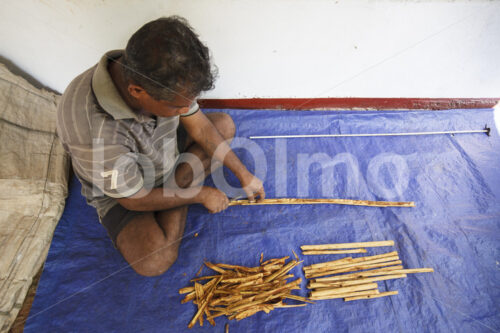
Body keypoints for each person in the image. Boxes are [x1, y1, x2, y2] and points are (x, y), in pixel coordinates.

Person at [56, 16, 265, 277]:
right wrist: (199, 194)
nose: (184, 109)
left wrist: (243, 174)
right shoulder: (93, 132)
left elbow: (199, 126)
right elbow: (132, 199)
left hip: (163, 151)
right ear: (137, 91)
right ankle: (179, 189)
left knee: (223, 126)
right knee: (155, 260)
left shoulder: (160, 74)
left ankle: (174, 190)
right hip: (127, 190)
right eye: (177, 106)